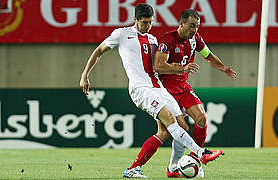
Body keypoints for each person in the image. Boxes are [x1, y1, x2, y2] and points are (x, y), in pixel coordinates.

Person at [80, 4, 223, 178]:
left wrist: (177, 67)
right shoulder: (121, 34)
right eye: (144, 22)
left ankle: (165, 168)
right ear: (135, 20)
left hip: (158, 88)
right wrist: (85, 75)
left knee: (180, 127)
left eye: (150, 22)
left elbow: (159, 66)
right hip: (140, 89)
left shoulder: (154, 40)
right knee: (170, 121)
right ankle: (201, 153)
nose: (148, 26)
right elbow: (99, 50)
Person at [154, 9, 237, 178]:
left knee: (201, 118)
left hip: (182, 87)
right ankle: (174, 166)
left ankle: (194, 159)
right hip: (165, 89)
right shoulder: (167, 40)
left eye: (197, 26)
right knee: (179, 129)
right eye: (192, 26)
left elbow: (208, 55)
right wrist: (182, 68)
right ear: (181, 24)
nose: (195, 30)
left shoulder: (195, 39)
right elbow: (158, 66)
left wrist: (223, 68)